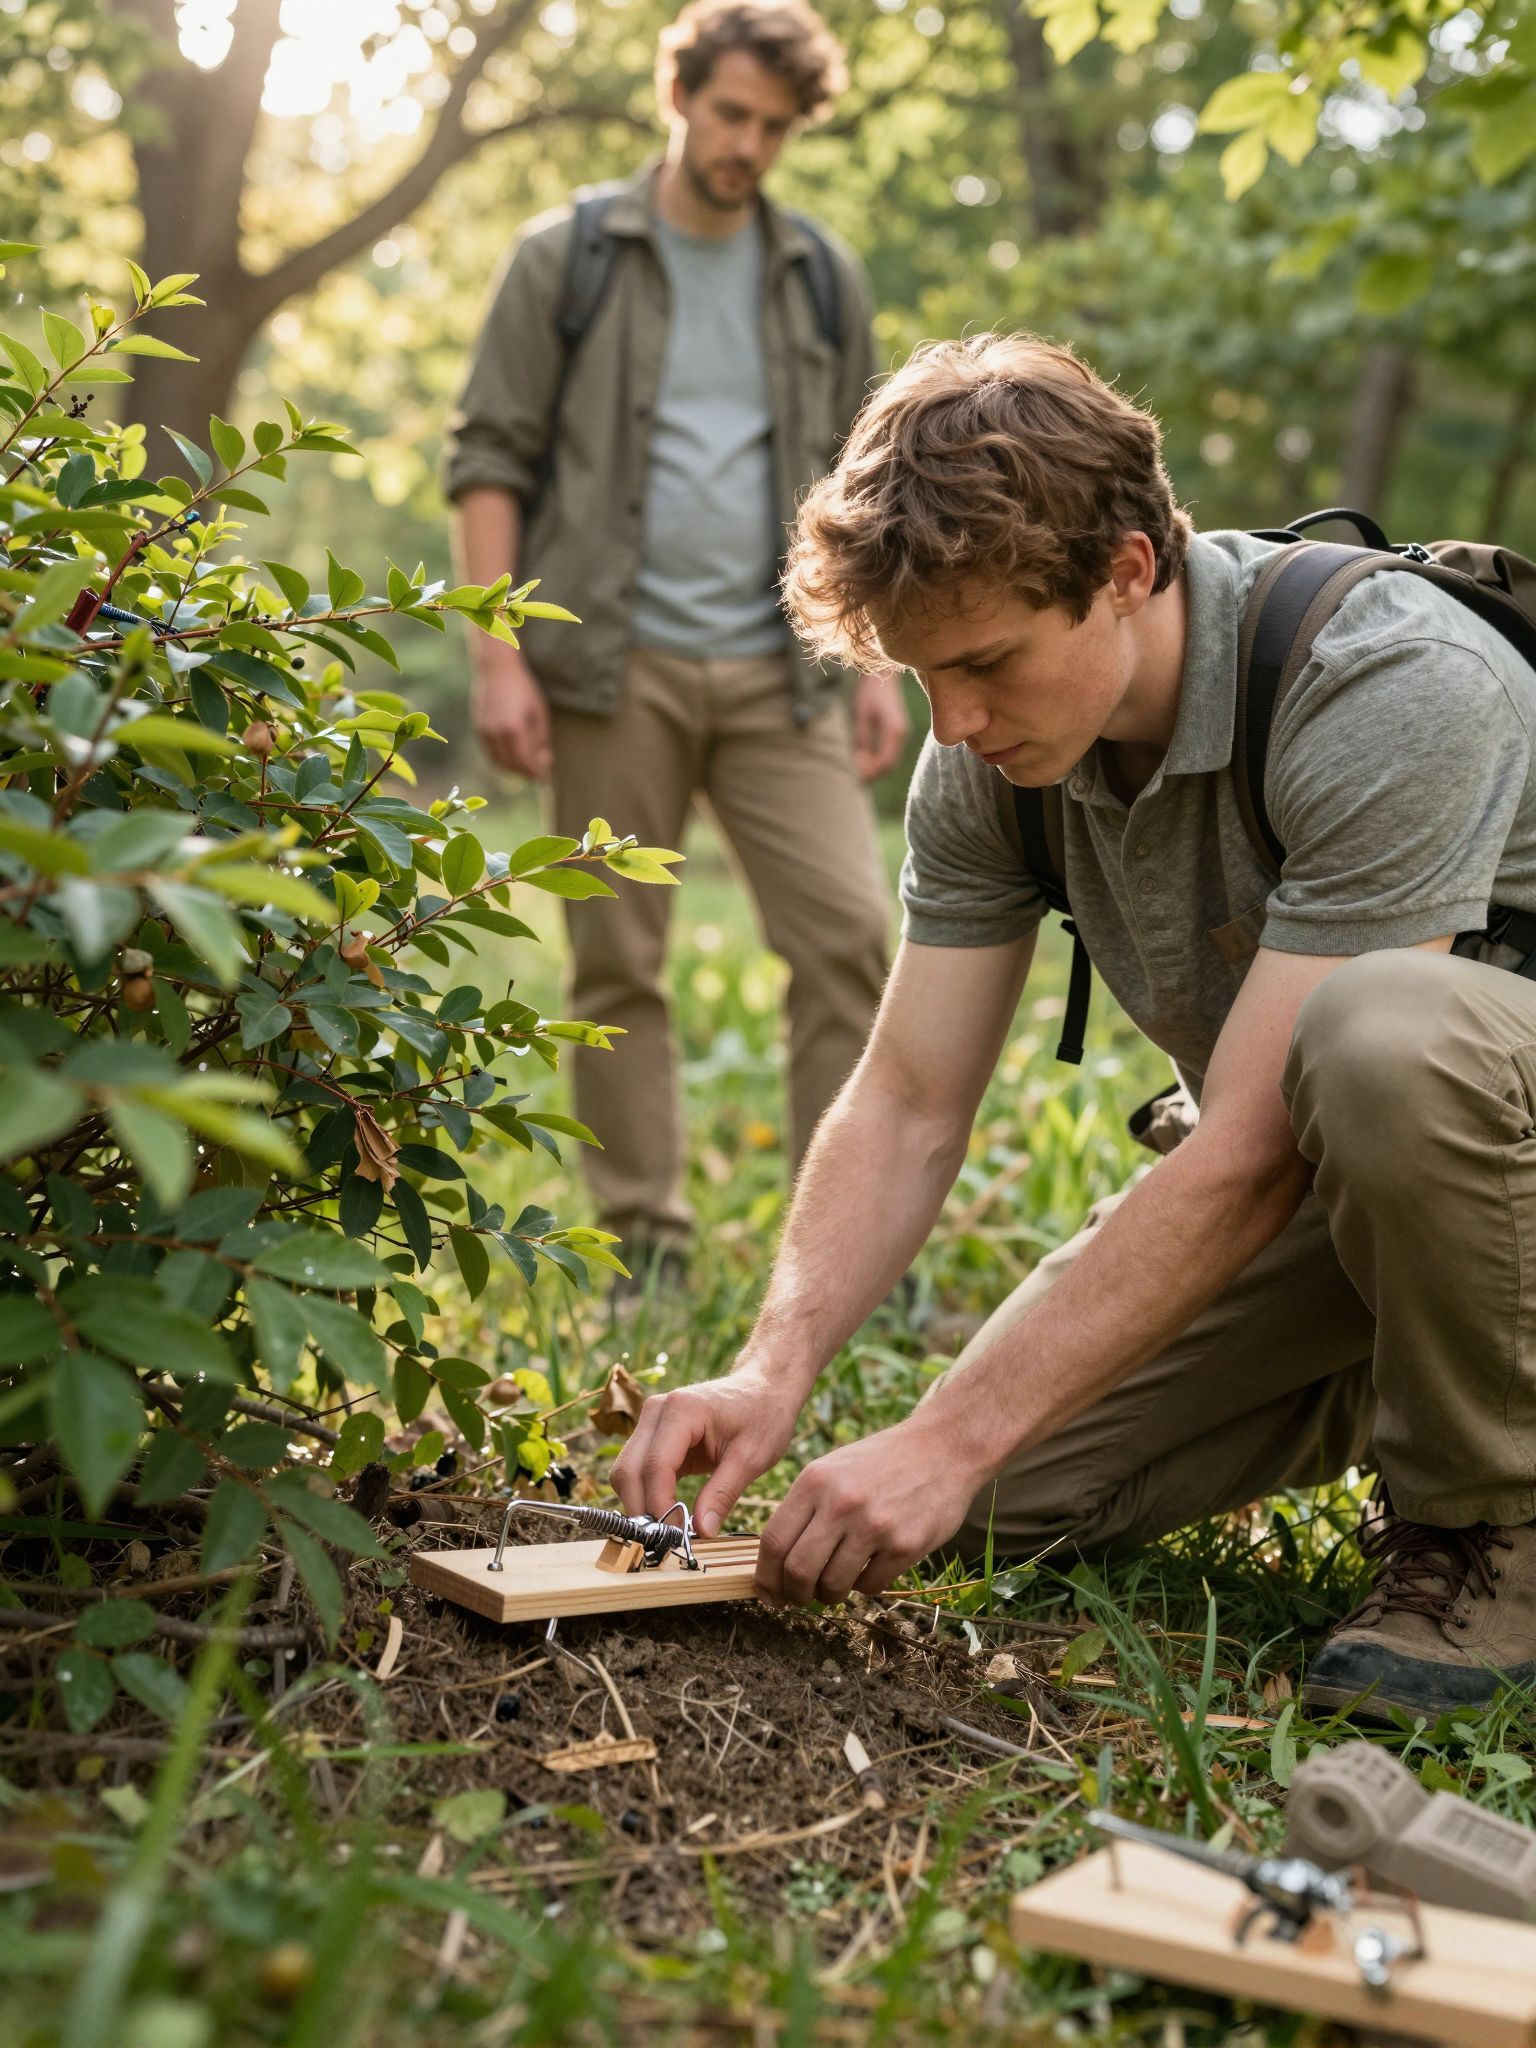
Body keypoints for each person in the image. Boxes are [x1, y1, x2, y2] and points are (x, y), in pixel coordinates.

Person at [611, 330, 1536, 1723]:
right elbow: (911, 1096)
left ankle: (1491, 1531)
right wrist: (774, 1368)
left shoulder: (1390, 680)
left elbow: (1244, 1146)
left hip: (1449, 1136)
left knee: (1374, 1031)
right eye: (925, 677)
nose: (958, 720)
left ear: (1127, 571)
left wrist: (945, 1429)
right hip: (1366, 1187)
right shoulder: (990, 757)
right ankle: (1419, 1354)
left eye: (987, 664)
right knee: (988, 1502)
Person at [445, 0, 905, 1285]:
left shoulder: (821, 276)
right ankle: (644, 1240)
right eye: (730, 112)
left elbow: (867, 489)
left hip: (786, 668)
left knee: (850, 939)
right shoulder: (568, 258)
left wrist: (880, 663)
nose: (748, 142)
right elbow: (490, 458)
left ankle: (847, 1249)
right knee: (617, 961)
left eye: (774, 124)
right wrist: (498, 651)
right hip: (608, 666)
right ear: (681, 95)